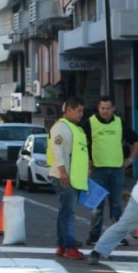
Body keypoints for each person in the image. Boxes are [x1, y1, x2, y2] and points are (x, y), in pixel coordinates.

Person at [81, 95, 138, 246]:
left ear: (113, 109)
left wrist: (130, 160)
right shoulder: (90, 123)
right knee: (97, 205)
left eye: (108, 108)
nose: (105, 111)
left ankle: (117, 237)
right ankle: (94, 236)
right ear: (98, 108)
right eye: (102, 108)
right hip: (97, 170)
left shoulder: (120, 123)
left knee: (116, 205)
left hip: (116, 170)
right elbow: (79, 142)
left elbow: (136, 141)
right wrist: (86, 161)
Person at [47, 97, 88, 260]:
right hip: (64, 177)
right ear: (69, 110)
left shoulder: (73, 128)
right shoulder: (62, 128)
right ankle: (69, 246)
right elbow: (57, 151)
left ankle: (63, 245)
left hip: (73, 177)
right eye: (79, 111)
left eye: (82, 111)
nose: (81, 114)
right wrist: (63, 172)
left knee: (65, 212)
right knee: (68, 213)